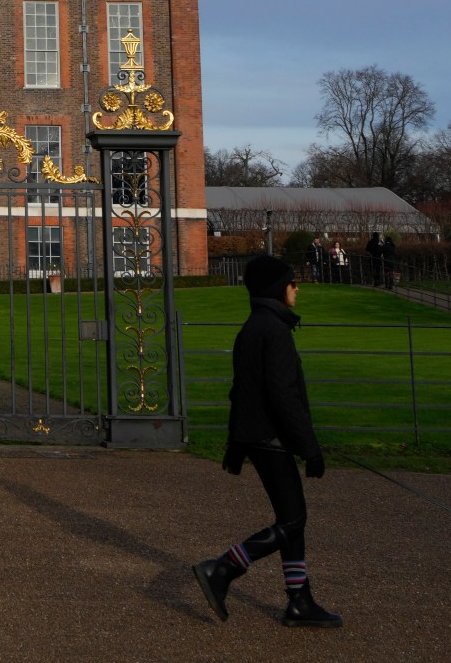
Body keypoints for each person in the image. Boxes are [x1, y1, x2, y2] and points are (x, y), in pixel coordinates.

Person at [192, 254, 340, 628]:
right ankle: (222, 569)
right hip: (270, 438)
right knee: (293, 520)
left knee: (292, 518)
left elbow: (240, 393)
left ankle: (299, 600)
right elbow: (282, 396)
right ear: (278, 289)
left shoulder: (254, 327)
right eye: (292, 282)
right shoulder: (273, 331)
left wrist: (235, 443)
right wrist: (310, 448)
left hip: (259, 437)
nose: (297, 288)